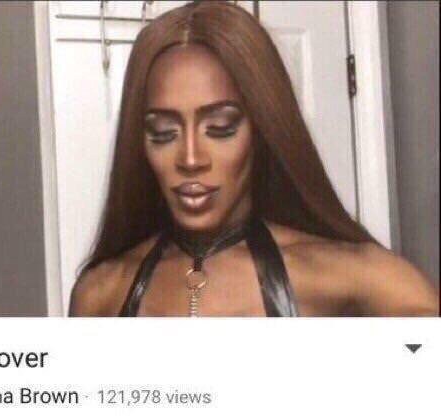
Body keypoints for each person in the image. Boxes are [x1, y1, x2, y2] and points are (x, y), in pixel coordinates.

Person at [69, 1, 438, 317]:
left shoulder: (363, 279)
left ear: (262, 129)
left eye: (220, 128)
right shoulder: (100, 292)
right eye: (164, 133)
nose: (191, 159)